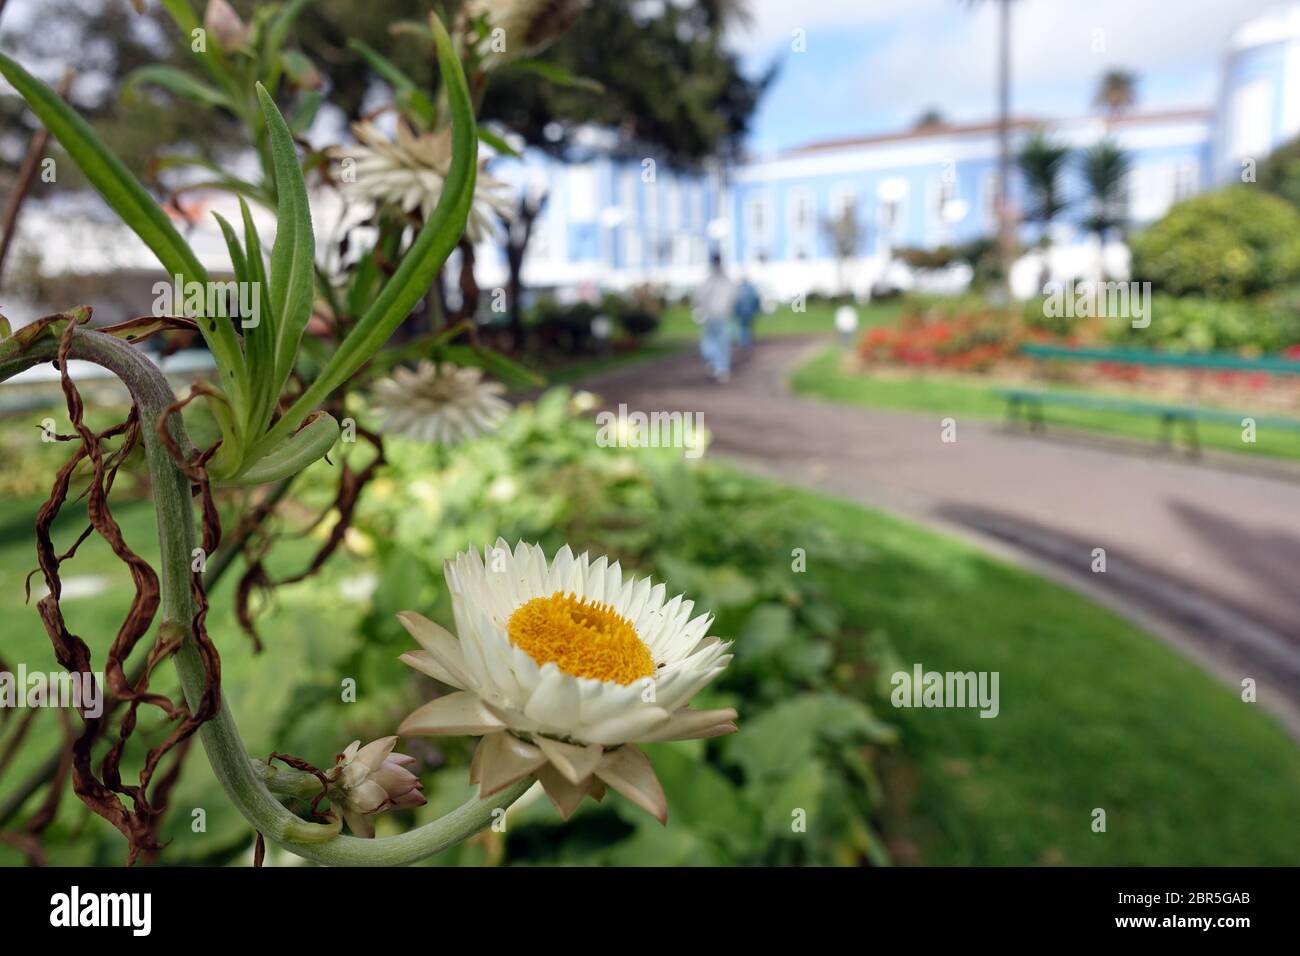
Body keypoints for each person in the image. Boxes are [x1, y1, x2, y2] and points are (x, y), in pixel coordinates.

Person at [691, 252, 738, 382]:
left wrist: (699, 308)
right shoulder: (726, 279)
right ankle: (721, 368)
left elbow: (699, 297)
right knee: (721, 342)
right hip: (722, 315)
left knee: (711, 341)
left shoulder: (709, 279)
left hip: (712, 315)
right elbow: (733, 296)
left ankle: (716, 364)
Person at [734, 273, 760, 349]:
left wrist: (736, 311)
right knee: (747, 326)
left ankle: (744, 342)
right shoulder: (751, 288)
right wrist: (756, 309)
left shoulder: (739, 289)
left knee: (743, 327)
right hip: (749, 311)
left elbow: (736, 302)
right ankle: (746, 342)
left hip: (742, 312)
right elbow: (755, 299)